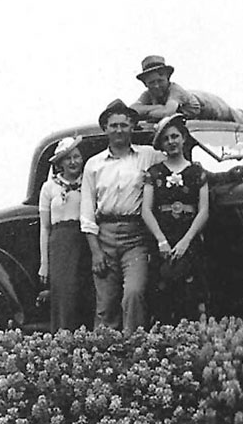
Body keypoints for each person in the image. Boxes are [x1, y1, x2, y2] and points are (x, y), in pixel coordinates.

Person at [80, 99, 165, 334]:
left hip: (135, 237)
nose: (119, 130)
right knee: (106, 302)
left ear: (132, 127)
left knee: (134, 293)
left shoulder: (147, 156)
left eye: (124, 125)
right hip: (104, 236)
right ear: (106, 128)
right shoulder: (93, 164)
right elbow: (87, 212)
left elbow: (177, 162)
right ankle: (105, 354)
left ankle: (133, 346)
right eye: (114, 125)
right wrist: (96, 251)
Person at [141, 114, 210, 324]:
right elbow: (146, 209)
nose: (171, 142)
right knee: (161, 296)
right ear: (161, 144)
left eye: (175, 136)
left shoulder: (197, 172)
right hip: (163, 241)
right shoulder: (154, 173)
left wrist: (186, 241)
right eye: (166, 139)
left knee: (190, 295)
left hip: (188, 240)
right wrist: (161, 240)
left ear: (183, 138)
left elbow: (203, 210)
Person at [38, 136, 93, 332]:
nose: (73, 162)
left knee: (85, 293)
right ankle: (63, 342)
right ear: (60, 162)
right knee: (63, 294)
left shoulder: (88, 183)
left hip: (84, 240)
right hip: (60, 243)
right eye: (68, 158)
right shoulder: (49, 187)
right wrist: (44, 264)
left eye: (77, 157)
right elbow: (44, 227)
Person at [129, 55, 243, 130]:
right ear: (146, 84)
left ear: (168, 78)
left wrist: (151, 110)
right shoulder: (148, 95)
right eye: (151, 83)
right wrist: (157, 107)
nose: (156, 86)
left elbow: (167, 112)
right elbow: (132, 110)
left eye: (160, 80)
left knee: (238, 117)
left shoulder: (176, 91)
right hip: (193, 119)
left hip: (208, 105)